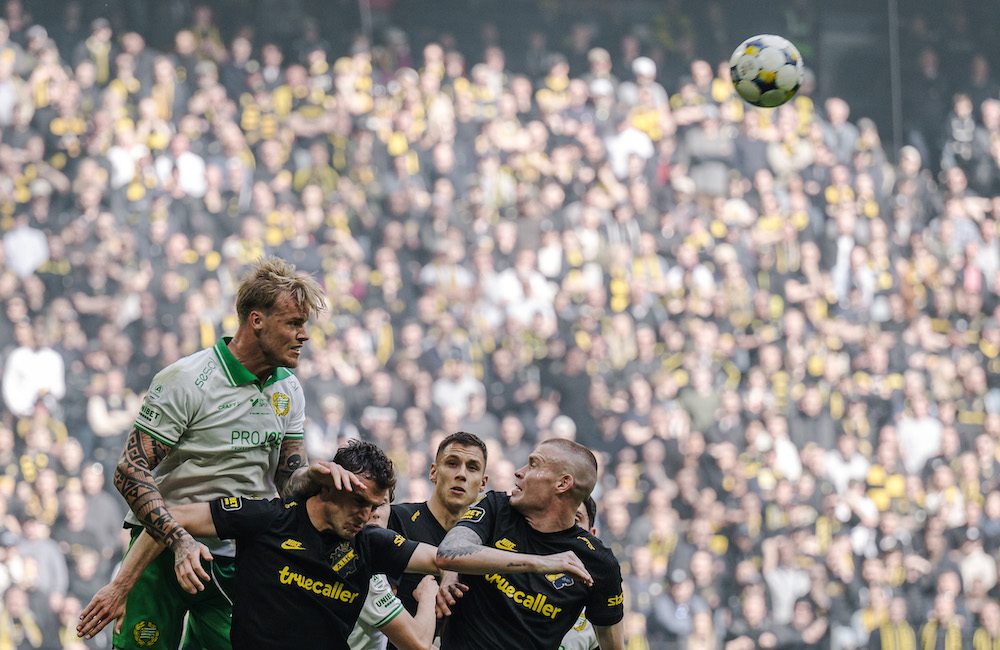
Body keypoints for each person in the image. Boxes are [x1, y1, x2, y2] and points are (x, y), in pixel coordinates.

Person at [77, 257, 361, 649]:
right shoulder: (189, 379)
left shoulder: (288, 390)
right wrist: (179, 541)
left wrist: (313, 476)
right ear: (256, 320)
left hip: (238, 557)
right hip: (160, 548)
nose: (304, 336)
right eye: (294, 323)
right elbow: (129, 470)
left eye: (304, 325)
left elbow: (286, 485)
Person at [436, 438, 626, 649]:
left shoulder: (598, 562)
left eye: (533, 464)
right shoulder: (497, 508)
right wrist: (540, 563)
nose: (519, 471)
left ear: (562, 484)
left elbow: (612, 645)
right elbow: (448, 552)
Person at [386, 431, 489, 623]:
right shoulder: (396, 520)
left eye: (472, 467)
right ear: (433, 472)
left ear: (483, 483)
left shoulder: (489, 543)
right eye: (452, 464)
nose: (461, 474)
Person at [347, 500, 439, 650]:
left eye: (381, 504)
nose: (374, 513)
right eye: (364, 502)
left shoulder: (366, 556)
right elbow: (419, 644)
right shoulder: (360, 567)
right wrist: (427, 596)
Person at [559, 496, 600, 650]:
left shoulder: (600, 594)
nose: (566, 526)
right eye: (559, 516)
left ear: (592, 534)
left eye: (576, 519)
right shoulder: (513, 574)